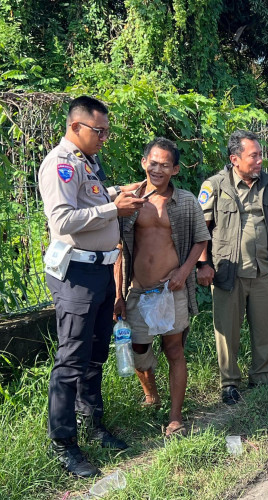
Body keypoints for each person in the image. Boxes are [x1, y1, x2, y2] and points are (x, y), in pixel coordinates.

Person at [38, 95, 145, 477]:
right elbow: (63, 220)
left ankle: (92, 423)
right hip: (76, 275)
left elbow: (89, 199)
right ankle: (64, 444)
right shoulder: (61, 164)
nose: (104, 138)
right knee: (71, 359)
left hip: (100, 272)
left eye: (106, 131)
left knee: (96, 352)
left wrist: (115, 192)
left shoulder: (86, 162)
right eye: (99, 131)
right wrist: (113, 209)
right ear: (75, 127)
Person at [113, 138, 210, 437]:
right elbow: (119, 250)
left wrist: (184, 271)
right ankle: (151, 395)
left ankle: (176, 416)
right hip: (138, 290)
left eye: (165, 165)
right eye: (153, 163)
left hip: (172, 290)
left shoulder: (186, 201)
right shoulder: (128, 202)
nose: (157, 169)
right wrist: (118, 295)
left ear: (175, 169)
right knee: (138, 349)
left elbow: (201, 239)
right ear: (144, 162)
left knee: (174, 349)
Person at [196, 130, 268, 405]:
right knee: (227, 331)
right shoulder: (215, 185)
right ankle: (229, 383)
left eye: (261, 155)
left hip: (265, 270)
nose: (260, 160)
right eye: (254, 156)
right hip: (228, 272)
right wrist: (203, 264)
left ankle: (262, 376)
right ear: (235, 159)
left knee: (266, 328)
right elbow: (201, 228)